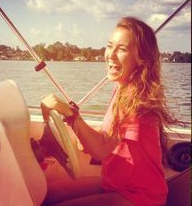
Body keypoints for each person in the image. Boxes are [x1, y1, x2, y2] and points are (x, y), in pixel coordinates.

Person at [40, 16, 179, 206]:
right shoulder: (122, 88)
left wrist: (71, 115)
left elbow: (102, 151)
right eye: (109, 46)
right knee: (49, 193)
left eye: (122, 49)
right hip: (116, 183)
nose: (110, 55)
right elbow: (108, 139)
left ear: (141, 59)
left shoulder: (138, 100)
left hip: (139, 197)